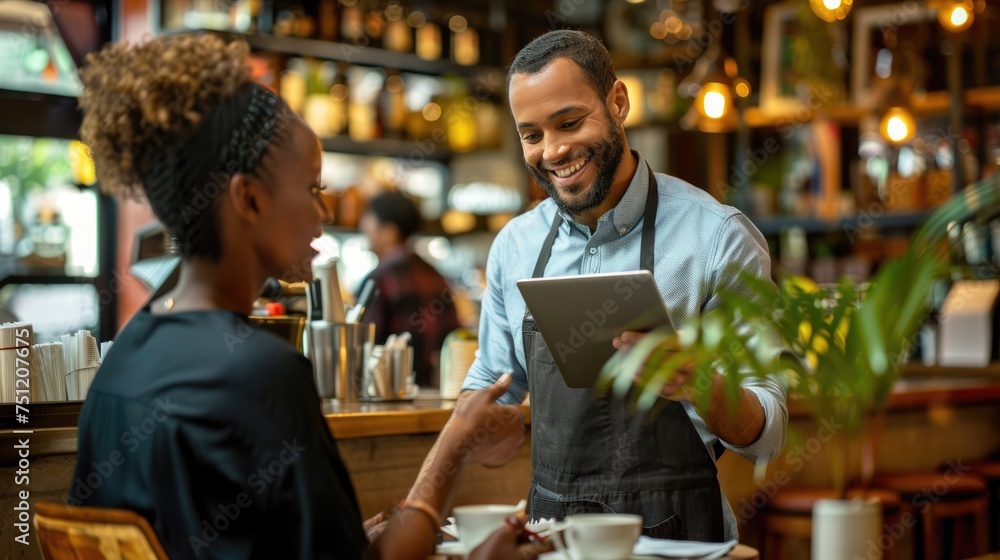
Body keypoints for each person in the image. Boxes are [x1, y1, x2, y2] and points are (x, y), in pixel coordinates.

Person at [69, 33, 534, 560]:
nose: (327, 213)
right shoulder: (261, 372)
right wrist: (457, 449)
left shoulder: (123, 360)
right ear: (248, 198)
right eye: (312, 188)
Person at [458, 30, 788, 542]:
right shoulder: (514, 246)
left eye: (569, 123)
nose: (554, 150)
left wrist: (701, 383)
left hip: (675, 537)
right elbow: (495, 383)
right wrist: (481, 426)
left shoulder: (717, 237)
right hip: (550, 537)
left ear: (617, 102)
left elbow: (768, 435)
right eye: (532, 135)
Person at [358, 190, 460, 388]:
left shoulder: (378, 280)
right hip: (435, 394)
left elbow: (364, 347)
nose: (363, 227)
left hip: (387, 395)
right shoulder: (437, 276)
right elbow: (455, 341)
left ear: (389, 230)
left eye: (368, 220)